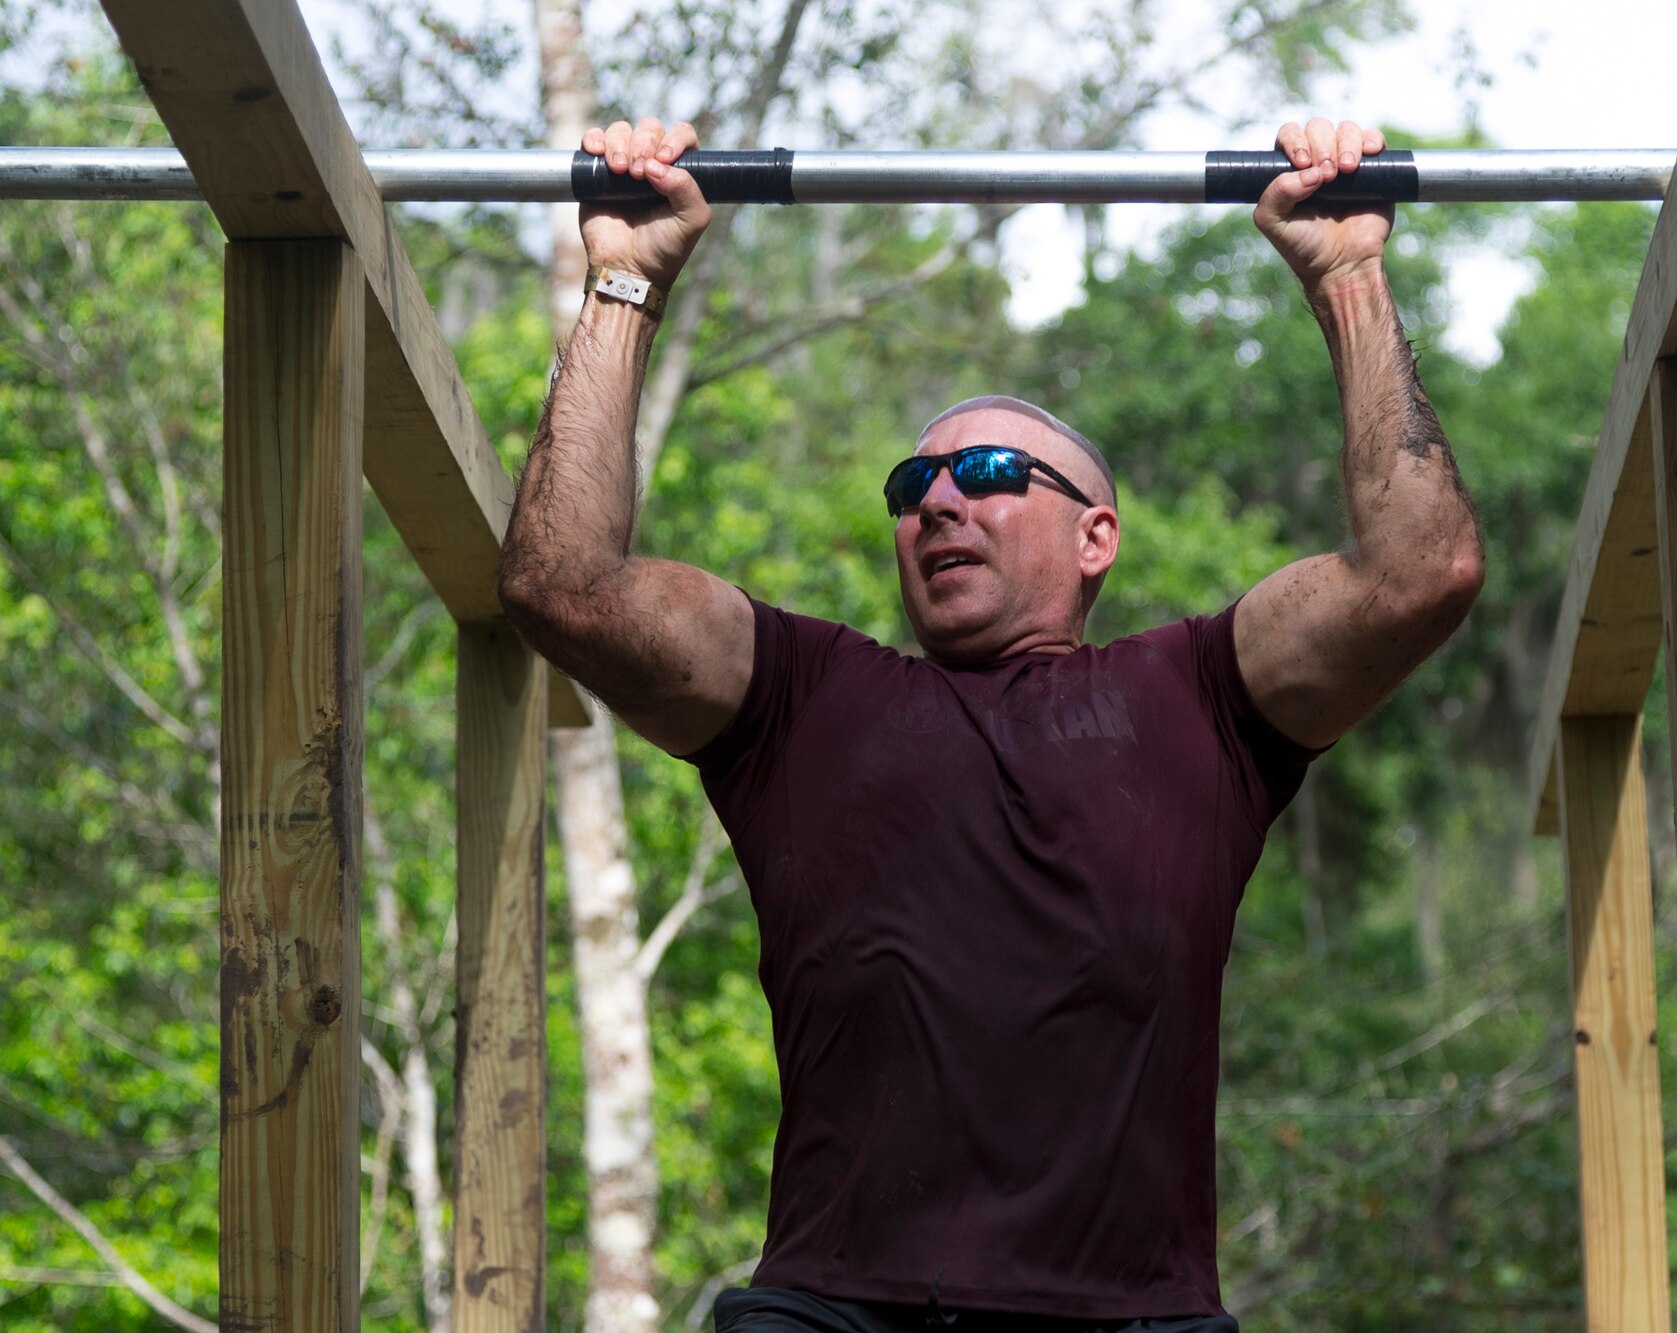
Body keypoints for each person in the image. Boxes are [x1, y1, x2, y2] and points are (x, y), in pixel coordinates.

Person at [500, 115, 1483, 1333]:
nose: (941, 501)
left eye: (992, 476)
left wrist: (1344, 275)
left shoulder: (1202, 698)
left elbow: (1419, 573)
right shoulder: (800, 698)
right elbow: (562, 586)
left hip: (1126, 1319)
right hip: (837, 1310)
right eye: (914, 486)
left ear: (1095, 537)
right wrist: (623, 280)